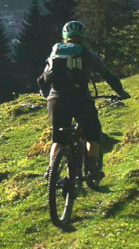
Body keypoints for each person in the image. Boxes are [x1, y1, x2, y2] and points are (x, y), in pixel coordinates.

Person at [37, 20, 131, 181]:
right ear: (83, 35)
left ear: (64, 35)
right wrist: (121, 92)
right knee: (93, 134)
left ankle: (51, 169)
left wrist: (47, 96)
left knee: (58, 138)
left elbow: (42, 79)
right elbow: (107, 75)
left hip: (56, 100)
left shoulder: (55, 54)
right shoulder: (87, 54)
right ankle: (93, 168)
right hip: (80, 98)